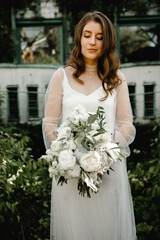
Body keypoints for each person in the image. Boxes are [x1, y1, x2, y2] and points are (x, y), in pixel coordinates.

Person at [43, 11, 137, 240]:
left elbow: (125, 124)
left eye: (99, 36)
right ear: (79, 38)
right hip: (71, 174)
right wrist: (71, 155)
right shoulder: (61, 77)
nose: (92, 42)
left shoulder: (116, 79)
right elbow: (50, 123)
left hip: (108, 173)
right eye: (87, 35)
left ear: (107, 41)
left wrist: (103, 156)